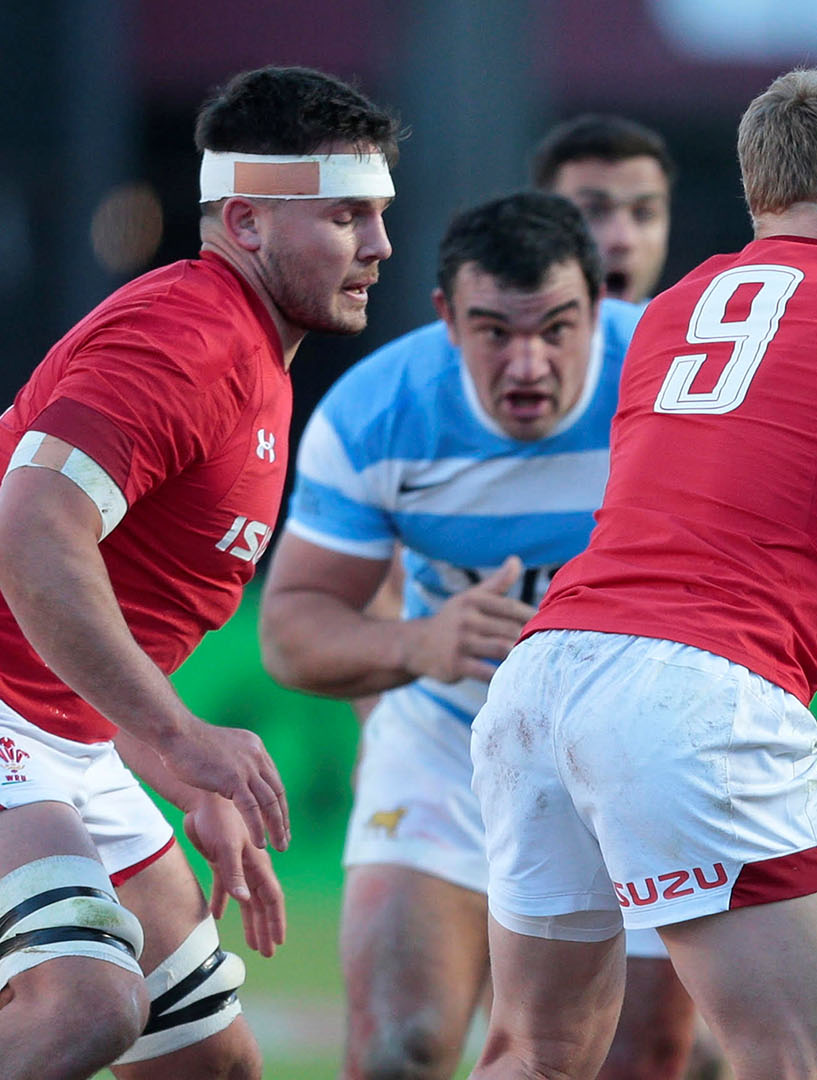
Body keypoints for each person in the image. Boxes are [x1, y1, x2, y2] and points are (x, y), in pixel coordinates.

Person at [466, 62, 817, 1080]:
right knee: (810, 1065)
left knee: (534, 1054)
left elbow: (776, 550)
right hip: (693, 702)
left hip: (542, 676)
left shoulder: (671, 310)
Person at [257, 192, 712, 1080]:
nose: (528, 363)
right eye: (494, 331)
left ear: (602, 304)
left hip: (640, 751)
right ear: (445, 319)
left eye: (556, 327)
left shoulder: (677, 382)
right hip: (445, 743)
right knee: (402, 1048)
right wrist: (419, 644)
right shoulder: (376, 413)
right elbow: (290, 633)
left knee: (652, 1056)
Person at [0, 65, 396, 1079]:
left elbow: (95, 604)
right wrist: (181, 731)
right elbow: (31, 529)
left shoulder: (247, 349)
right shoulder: (191, 339)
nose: (380, 246)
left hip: (66, 735)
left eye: (380, 214)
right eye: (348, 216)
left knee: (208, 1064)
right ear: (250, 221)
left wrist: (175, 767)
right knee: (86, 1006)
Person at [533, 114, 675, 305]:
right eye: (593, 211)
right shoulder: (493, 329)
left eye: (643, 213)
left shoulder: (686, 331)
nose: (623, 240)